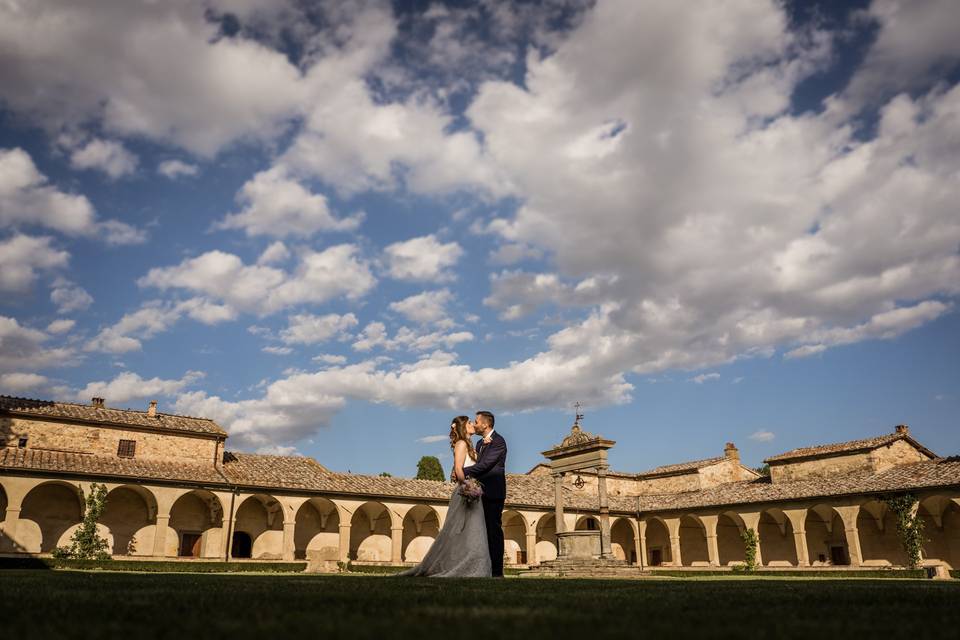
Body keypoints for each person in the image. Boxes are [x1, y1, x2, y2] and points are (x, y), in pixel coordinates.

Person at [397, 416, 492, 577]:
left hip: (473, 491)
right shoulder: (461, 444)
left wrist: (485, 445)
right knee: (458, 530)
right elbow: (458, 469)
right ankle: (458, 565)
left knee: (473, 531)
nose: (472, 425)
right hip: (465, 491)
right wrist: (468, 486)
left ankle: (473, 565)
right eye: (469, 422)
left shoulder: (470, 445)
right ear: (463, 426)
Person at [463, 410, 508, 578]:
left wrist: (462, 471)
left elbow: (485, 465)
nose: (474, 424)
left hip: (494, 492)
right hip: (479, 492)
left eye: (476, 421)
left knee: (493, 531)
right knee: (482, 532)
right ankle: (484, 569)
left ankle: (497, 572)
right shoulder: (480, 444)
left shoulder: (498, 441)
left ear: (485, 424)